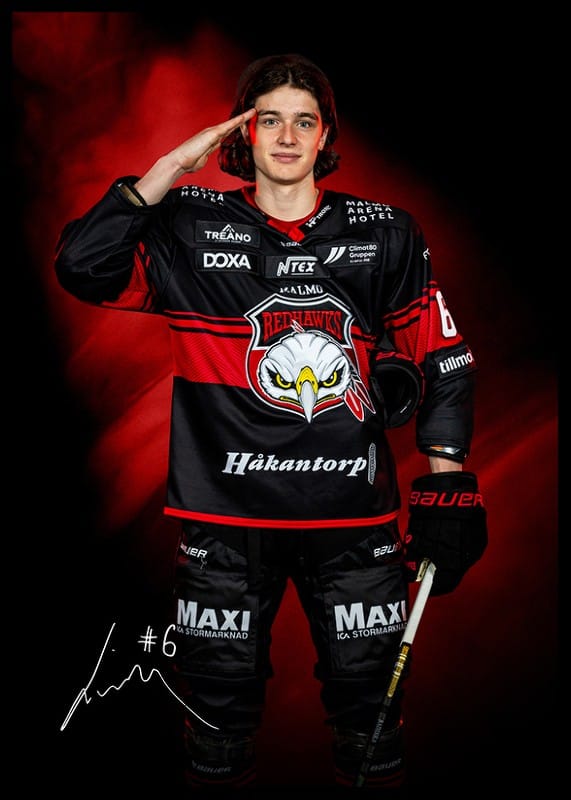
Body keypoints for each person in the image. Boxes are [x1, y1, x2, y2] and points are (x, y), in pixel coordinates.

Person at [54, 53, 488, 791]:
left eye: (304, 122)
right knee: (216, 733)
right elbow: (81, 267)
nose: (287, 137)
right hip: (224, 522)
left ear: (325, 136)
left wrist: (447, 487)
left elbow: (444, 359)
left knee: (372, 726)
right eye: (268, 120)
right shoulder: (187, 224)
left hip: (353, 522)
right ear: (241, 133)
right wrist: (167, 169)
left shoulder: (385, 232)